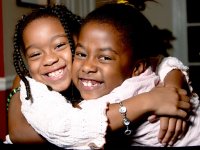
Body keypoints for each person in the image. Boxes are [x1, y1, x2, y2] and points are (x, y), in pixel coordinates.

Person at [7, 3, 190, 149]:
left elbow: (161, 62)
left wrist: (172, 87)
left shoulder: (107, 74)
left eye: (60, 45)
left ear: (79, 40)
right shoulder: (32, 87)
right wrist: (150, 101)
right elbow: (20, 134)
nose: (49, 59)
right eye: (35, 54)